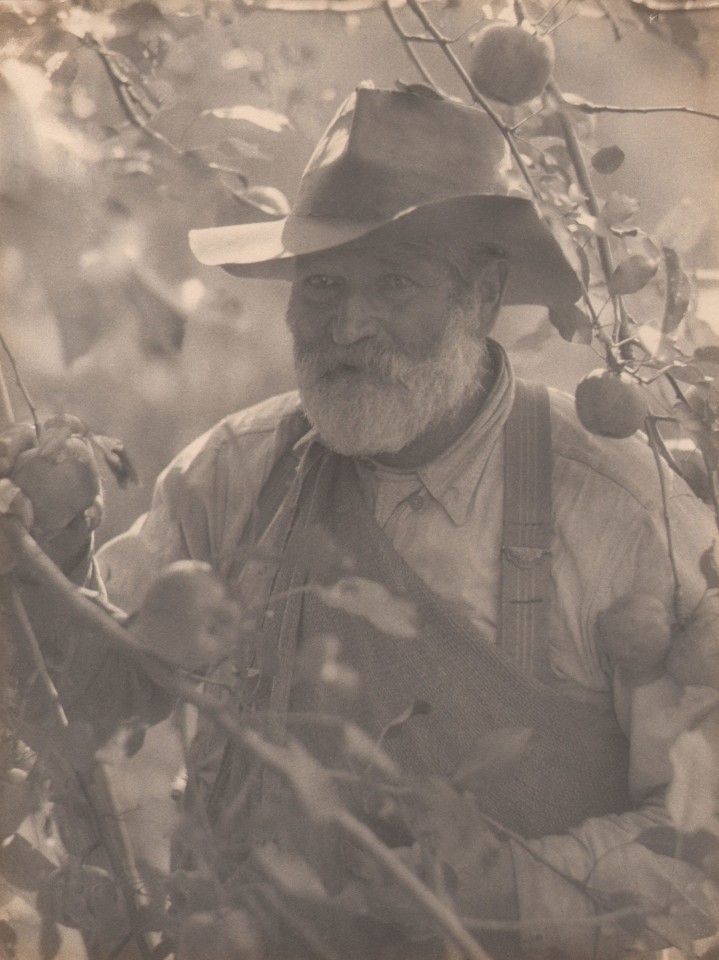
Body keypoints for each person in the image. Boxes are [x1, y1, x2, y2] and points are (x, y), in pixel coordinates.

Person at [7, 85, 719, 960]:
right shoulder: (238, 470)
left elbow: (702, 842)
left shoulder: (615, 508)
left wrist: (507, 887)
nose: (348, 325)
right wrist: (38, 552)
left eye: (394, 282)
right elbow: (94, 690)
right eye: (323, 285)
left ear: (482, 293)